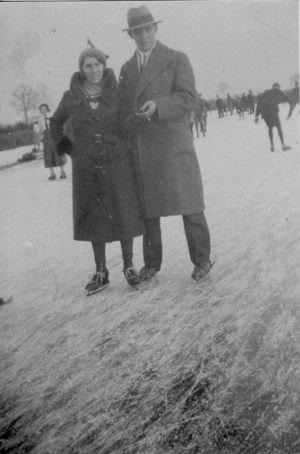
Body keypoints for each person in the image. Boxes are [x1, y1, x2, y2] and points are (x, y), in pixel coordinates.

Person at [118, 5, 211, 283]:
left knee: (190, 202)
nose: (144, 35)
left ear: (156, 29)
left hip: (174, 145)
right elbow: (123, 111)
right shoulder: (126, 69)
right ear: (131, 35)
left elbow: (188, 98)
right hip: (144, 148)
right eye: (138, 31)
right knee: (148, 209)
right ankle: (152, 263)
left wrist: (157, 105)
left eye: (148, 29)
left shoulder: (176, 58)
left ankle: (202, 260)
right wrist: (131, 120)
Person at [51, 48, 145, 295]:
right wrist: (66, 146)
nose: (93, 70)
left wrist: (133, 121)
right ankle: (101, 271)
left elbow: (124, 122)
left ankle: (128, 266)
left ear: (104, 65)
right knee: (95, 215)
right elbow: (55, 121)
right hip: (87, 165)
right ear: (81, 69)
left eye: (97, 65)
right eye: (88, 66)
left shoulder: (117, 92)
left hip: (117, 160)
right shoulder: (71, 96)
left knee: (124, 211)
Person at [255, 83, 291, 152]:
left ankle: (272, 146)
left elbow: (259, 102)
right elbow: (285, 96)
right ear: (277, 87)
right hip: (271, 109)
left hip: (263, 111)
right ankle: (283, 145)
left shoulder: (266, 92)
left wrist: (257, 115)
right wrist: (290, 102)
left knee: (270, 127)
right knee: (278, 127)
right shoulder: (276, 90)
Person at [39, 103, 67, 180]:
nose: (43, 110)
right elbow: (41, 130)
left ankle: (63, 172)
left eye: (44, 108)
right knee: (48, 154)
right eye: (41, 109)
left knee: (58, 153)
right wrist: (43, 136)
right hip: (47, 137)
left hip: (54, 135)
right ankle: (52, 174)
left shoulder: (53, 115)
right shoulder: (40, 119)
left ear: (47, 108)